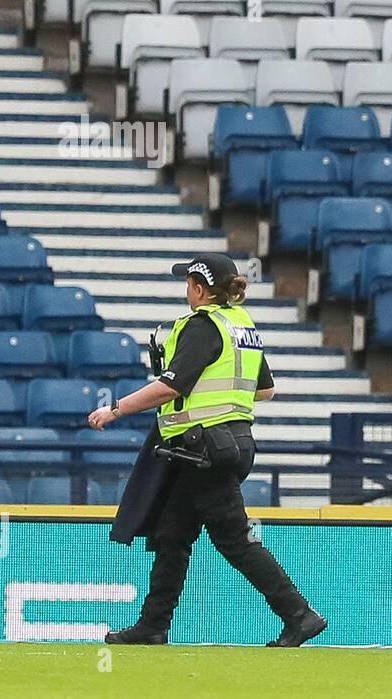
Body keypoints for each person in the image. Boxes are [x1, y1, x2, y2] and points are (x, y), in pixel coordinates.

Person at [92, 252, 327, 648]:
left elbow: (171, 386)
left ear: (200, 289)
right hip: (227, 443)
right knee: (173, 534)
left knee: (234, 537)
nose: (186, 290)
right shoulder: (241, 325)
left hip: (204, 448)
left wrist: (116, 409)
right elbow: (265, 389)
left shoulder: (202, 327)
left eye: (188, 284)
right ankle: (153, 625)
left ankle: (299, 614)